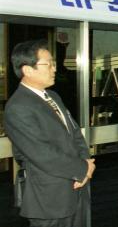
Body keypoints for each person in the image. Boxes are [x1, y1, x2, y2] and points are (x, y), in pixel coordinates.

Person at [4, 39, 95, 227]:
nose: (54, 69)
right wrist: (82, 169)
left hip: (78, 187)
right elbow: (42, 154)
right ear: (27, 70)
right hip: (50, 199)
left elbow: (75, 134)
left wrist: (87, 163)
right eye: (48, 64)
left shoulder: (53, 96)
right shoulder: (18, 107)